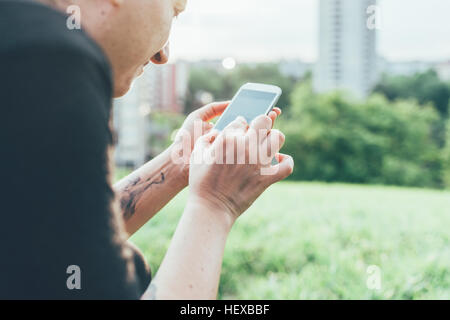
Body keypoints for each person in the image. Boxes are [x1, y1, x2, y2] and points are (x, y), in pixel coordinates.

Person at [0, 0, 294, 299]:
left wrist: (180, 163)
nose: (162, 54)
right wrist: (216, 204)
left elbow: (57, 237)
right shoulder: (47, 60)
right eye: (174, 12)